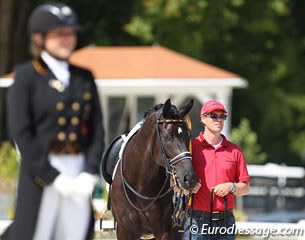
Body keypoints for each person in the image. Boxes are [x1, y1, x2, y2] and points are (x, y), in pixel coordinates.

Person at [2, 3, 105, 240]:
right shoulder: (27, 76)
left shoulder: (84, 77)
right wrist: (51, 176)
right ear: (40, 38)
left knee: (76, 234)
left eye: (70, 33)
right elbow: (22, 132)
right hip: (42, 172)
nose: (68, 39)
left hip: (78, 170)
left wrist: (89, 171)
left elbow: (96, 129)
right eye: (60, 34)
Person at [183, 100, 250, 240]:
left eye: (222, 116)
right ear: (203, 119)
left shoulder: (235, 151)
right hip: (196, 220)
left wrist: (231, 186)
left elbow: (245, 188)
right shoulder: (190, 148)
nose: (219, 119)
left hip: (226, 222)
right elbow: (174, 184)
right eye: (213, 115)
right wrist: (187, 187)